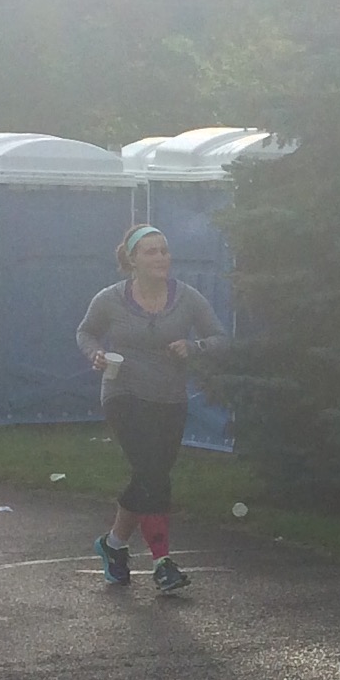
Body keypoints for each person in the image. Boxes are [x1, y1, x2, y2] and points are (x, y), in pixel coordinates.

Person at [76, 225, 225, 593]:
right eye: (151, 251)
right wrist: (95, 353)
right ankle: (162, 563)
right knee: (151, 472)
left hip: (169, 398)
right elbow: (86, 332)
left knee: (151, 475)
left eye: (164, 250)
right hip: (122, 393)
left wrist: (194, 347)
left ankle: (113, 544)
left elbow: (220, 338)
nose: (161, 258)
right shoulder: (110, 298)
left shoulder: (187, 298)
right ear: (132, 260)